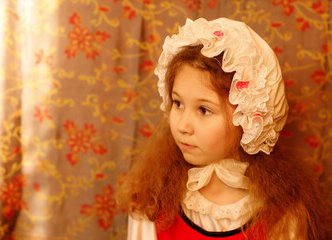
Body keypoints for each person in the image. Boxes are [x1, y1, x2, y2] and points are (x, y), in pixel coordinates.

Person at [118, 18, 327, 240]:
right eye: (178, 103)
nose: (182, 126)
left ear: (248, 117)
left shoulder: (282, 217)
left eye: (204, 110)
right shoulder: (151, 203)